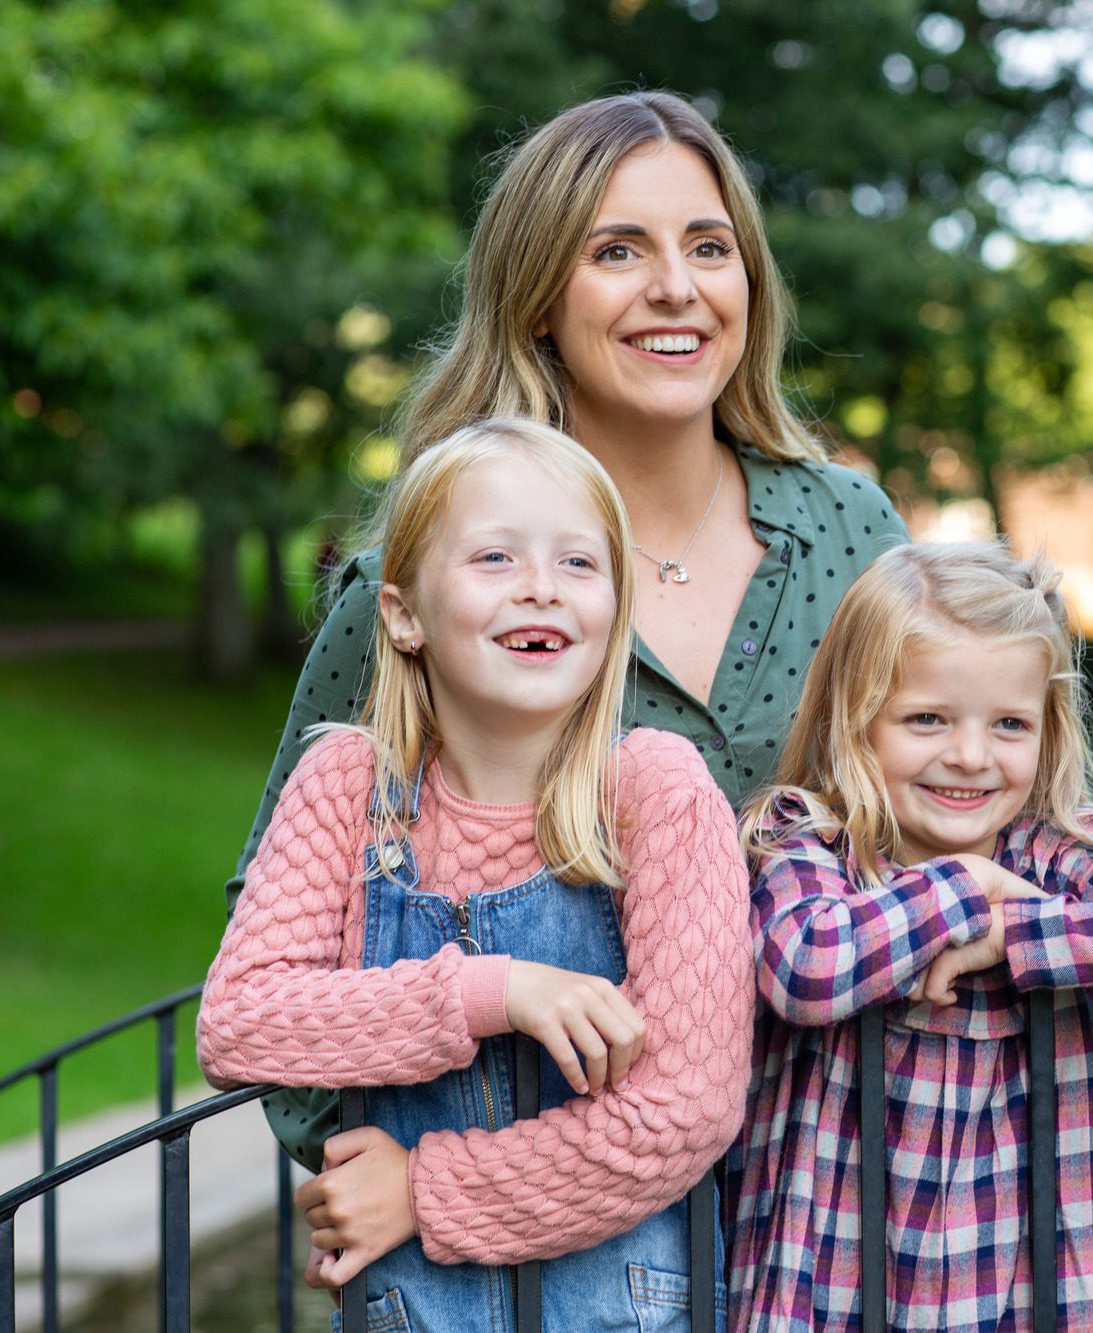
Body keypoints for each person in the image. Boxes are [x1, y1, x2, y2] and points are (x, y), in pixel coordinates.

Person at [224, 89, 908, 1173]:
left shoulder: (853, 531)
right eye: (618, 249)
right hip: (536, 1232)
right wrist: (384, 1163)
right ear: (538, 296)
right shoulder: (421, 583)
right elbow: (286, 903)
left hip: (828, 1200)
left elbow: (946, 812)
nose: (674, 288)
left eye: (708, 247)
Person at [198, 418, 751, 1330]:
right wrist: (493, 990)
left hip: (624, 1309)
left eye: (579, 564)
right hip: (415, 1308)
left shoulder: (656, 791)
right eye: (495, 557)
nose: (541, 588)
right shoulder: (347, 785)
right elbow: (239, 1022)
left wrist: (422, 1190)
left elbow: (684, 1112)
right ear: (403, 613)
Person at [729, 541, 1093, 1331]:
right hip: (831, 1284)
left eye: (1009, 723)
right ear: (856, 716)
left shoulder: (1051, 853)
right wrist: (966, 886)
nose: (971, 756)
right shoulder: (808, 840)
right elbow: (806, 967)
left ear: (1047, 732)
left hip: (1022, 1287)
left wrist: (1021, 928)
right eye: (927, 719)